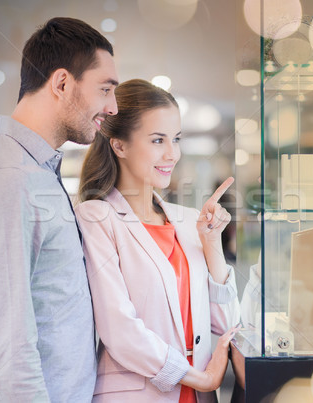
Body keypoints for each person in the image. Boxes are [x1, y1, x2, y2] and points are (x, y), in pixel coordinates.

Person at [0, 17, 118, 402]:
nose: (112, 106)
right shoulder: (9, 179)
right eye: (105, 89)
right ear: (61, 83)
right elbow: (12, 347)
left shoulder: (35, 172)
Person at [75, 79, 241, 402]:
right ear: (119, 145)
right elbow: (120, 331)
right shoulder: (96, 218)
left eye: (176, 139)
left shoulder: (186, 219)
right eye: (157, 140)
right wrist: (200, 379)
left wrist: (212, 245)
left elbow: (226, 325)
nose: (172, 153)